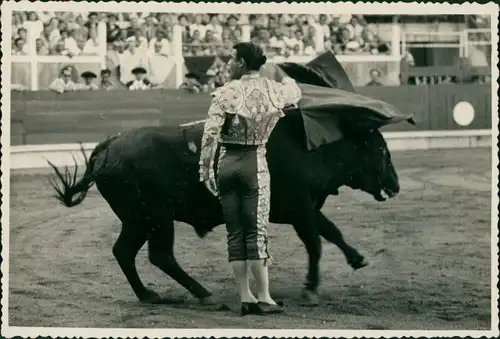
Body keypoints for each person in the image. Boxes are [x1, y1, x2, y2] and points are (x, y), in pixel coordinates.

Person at [198, 42, 302, 316]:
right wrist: (285, 74)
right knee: (256, 232)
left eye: (231, 59)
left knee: (235, 233)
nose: (228, 64)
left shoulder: (226, 92)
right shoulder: (275, 90)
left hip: (226, 166)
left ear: (242, 63)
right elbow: (296, 91)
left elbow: (209, 134)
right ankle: (264, 296)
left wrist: (205, 170)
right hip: (255, 164)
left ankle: (245, 297)